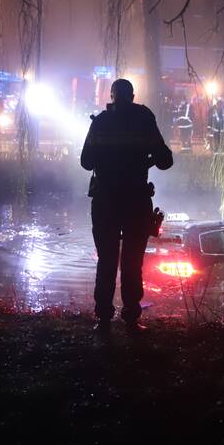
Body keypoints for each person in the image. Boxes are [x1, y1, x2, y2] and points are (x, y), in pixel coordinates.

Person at [80, 78, 173, 334]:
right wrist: (146, 160)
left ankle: (103, 319)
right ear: (132, 96)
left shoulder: (100, 122)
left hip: (105, 201)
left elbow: (86, 162)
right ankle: (131, 317)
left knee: (107, 259)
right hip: (135, 201)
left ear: (112, 97)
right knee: (133, 261)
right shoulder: (144, 119)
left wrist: (106, 159)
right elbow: (166, 161)